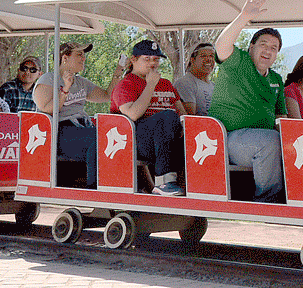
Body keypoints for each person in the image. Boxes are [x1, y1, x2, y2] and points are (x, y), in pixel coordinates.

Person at [208, 0, 285, 203]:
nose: (268, 50)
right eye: (263, 44)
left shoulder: (277, 79)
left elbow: (281, 118)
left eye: (274, 48)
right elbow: (221, 45)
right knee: (270, 141)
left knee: (288, 142)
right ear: (251, 47)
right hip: (229, 139)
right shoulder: (239, 62)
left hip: (262, 139)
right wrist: (243, 17)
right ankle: (268, 201)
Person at [111, 40, 188, 196]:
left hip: (167, 139)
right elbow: (132, 114)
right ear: (133, 60)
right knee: (167, 116)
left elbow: (182, 113)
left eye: (156, 59)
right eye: (147, 59)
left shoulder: (166, 84)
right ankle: (164, 181)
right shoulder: (125, 84)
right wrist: (150, 85)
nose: (153, 63)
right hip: (136, 141)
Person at [32, 40, 111, 187]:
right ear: (65, 58)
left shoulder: (81, 82)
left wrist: (119, 72)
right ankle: (95, 188)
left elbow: (106, 96)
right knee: (99, 140)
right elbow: (47, 109)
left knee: (109, 137)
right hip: (60, 132)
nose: (84, 58)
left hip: (82, 128)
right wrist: (65, 90)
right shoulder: (48, 79)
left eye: (84, 55)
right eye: (79, 54)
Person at [173, 42, 217, 117]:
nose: (209, 59)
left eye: (212, 56)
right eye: (203, 56)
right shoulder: (185, 83)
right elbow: (191, 118)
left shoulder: (214, 86)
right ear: (192, 60)